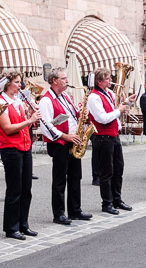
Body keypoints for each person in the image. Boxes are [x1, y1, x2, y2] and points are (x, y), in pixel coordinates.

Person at [40, 67, 93, 225]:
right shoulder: (46, 100)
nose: (67, 81)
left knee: (76, 177)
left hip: (73, 140)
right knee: (59, 180)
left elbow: (71, 118)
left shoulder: (66, 97)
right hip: (60, 143)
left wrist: (81, 116)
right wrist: (66, 136)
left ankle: (75, 210)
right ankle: (59, 213)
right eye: (64, 79)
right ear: (54, 80)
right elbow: (46, 126)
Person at [0, 69, 41, 240]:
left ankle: (23, 223)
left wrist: (31, 118)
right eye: (16, 82)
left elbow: (23, 126)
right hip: (11, 149)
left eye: (19, 81)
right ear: (7, 84)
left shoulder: (18, 102)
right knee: (14, 189)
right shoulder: (0, 102)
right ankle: (11, 227)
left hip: (24, 147)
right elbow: (7, 128)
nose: (20, 85)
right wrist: (28, 120)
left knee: (26, 188)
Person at [87, 67, 134, 215]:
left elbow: (113, 111)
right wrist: (119, 110)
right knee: (106, 172)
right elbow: (102, 118)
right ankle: (107, 203)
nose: (111, 81)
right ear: (99, 81)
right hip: (102, 137)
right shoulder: (93, 97)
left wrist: (127, 103)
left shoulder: (108, 93)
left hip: (113, 135)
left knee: (118, 170)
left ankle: (117, 199)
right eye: (107, 79)